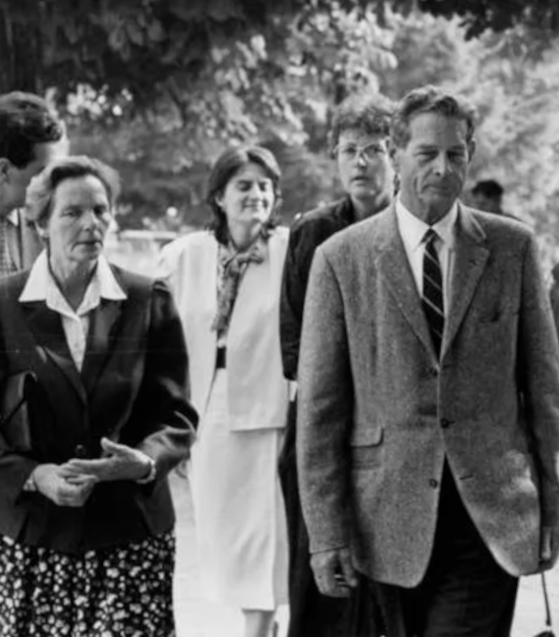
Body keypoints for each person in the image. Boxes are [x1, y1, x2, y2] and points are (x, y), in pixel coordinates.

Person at [297, 85, 559, 636]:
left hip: (490, 517)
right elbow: (320, 412)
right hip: (384, 520)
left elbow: (545, 394)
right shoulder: (340, 260)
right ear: (396, 154)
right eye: (427, 154)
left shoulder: (513, 249)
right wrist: (326, 536)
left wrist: (552, 512)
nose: (442, 168)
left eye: (456, 155)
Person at [0, 155, 197, 636]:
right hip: (30, 539)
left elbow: (176, 417)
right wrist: (33, 475)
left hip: (130, 537)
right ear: (41, 223)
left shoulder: (148, 300)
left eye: (100, 210)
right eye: (72, 212)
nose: (90, 223)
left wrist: (145, 461)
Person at [158, 146, 289, 637]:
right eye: (243, 185)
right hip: (205, 410)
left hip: (268, 408)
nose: (255, 194)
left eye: (264, 186)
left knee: (263, 533)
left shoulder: (290, 253)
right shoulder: (185, 256)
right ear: (219, 195)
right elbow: (156, 332)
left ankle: (260, 626)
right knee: (224, 534)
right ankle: (260, 623)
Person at [279, 93, 395, 637]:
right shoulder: (312, 232)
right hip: (322, 424)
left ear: (396, 156)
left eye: (374, 149)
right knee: (320, 578)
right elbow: (292, 343)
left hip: (395, 432)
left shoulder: (412, 232)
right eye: (349, 150)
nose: (361, 162)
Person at [0, 91, 67, 635]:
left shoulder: (44, 234)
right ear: (5, 169)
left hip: (36, 481)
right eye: (41, 175)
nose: (50, 189)